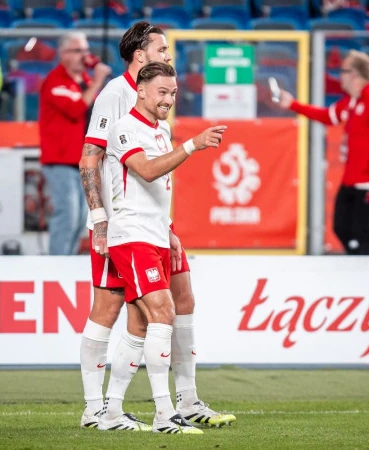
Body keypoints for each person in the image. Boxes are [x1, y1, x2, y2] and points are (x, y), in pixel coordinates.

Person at [78, 22, 236, 431]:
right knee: (112, 308)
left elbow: (157, 178)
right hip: (121, 223)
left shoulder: (159, 113)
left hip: (154, 224)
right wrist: (100, 220)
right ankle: (98, 408)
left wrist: (168, 227)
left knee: (180, 300)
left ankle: (185, 400)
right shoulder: (116, 95)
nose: (168, 55)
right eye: (162, 49)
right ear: (140, 55)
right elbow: (91, 158)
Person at [106, 62, 226, 434]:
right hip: (132, 235)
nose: (168, 100)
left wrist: (169, 229)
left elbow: (159, 189)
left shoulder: (162, 129)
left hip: (157, 234)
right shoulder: (124, 129)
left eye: (173, 93)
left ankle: (111, 411)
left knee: (140, 324)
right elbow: (146, 170)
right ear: (141, 91)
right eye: (162, 92)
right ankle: (164, 414)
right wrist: (192, 145)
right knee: (164, 311)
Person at [276, 50, 369, 255]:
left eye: (343, 71)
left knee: (361, 233)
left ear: (354, 75)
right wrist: (293, 104)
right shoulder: (352, 101)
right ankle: (360, 261)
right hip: (352, 179)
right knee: (341, 228)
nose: (339, 76)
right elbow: (327, 116)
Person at [39, 32, 112, 255]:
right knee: (67, 215)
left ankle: (66, 261)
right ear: (63, 54)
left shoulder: (84, 82)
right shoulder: (55, 81)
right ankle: (56, 264)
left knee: (81, 218)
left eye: (86, 50)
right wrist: (98, 81)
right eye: (78, 50)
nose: (84, 55)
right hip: (60, 161)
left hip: (83, 161)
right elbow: (75, 108)